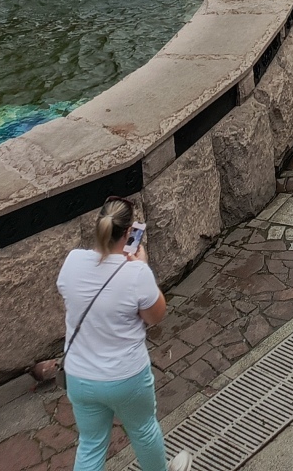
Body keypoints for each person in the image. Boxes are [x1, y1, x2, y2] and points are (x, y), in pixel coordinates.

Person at [57, 196, 192, 471]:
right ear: (130, 233)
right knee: (143, 430)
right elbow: (156, 316)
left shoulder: (72, 261)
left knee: (91, 444)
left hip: (80, 377)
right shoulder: (135, 273)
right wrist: (141, 266)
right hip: (125, 377)